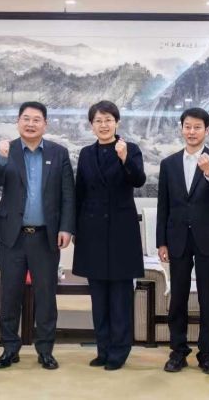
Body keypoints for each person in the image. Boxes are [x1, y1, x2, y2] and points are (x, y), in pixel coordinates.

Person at [0, 101, 75, 370]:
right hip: (12, 237)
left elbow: (68, 194)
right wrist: (1, 159)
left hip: (45, 237)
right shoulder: (7, 150)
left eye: (36, 119)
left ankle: (45, 350)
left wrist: (66, 227)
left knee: (46, 296)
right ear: (18, 122)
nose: (30, 124)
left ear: (45, 124)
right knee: (10, 294)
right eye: (26, 119)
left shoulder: (59, 153)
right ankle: (9, 349)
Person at [156, 107, 209, 375]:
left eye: (197, 127)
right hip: (177, 238)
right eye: (187, 126)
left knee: (208, 297)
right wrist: (161, 242)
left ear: (207, 130)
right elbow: (163, 204)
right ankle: (178, 351)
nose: (192, 131)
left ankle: (207, 354)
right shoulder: (169, 163)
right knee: (178, 296)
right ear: (181, 128)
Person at [73, 101, 145, 371]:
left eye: (108, 120)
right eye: (98, 121)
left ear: (117, 123)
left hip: (121, 233)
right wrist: (76, 228)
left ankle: (119, 351)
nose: (103, 125)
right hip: (92, 233)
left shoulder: (130, 149)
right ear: (92, 125)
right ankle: (102, 349)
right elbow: (80, 192)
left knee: (120, 298)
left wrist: (125, 158)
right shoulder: (85, 153)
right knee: (99, 298)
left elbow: (138, 180)